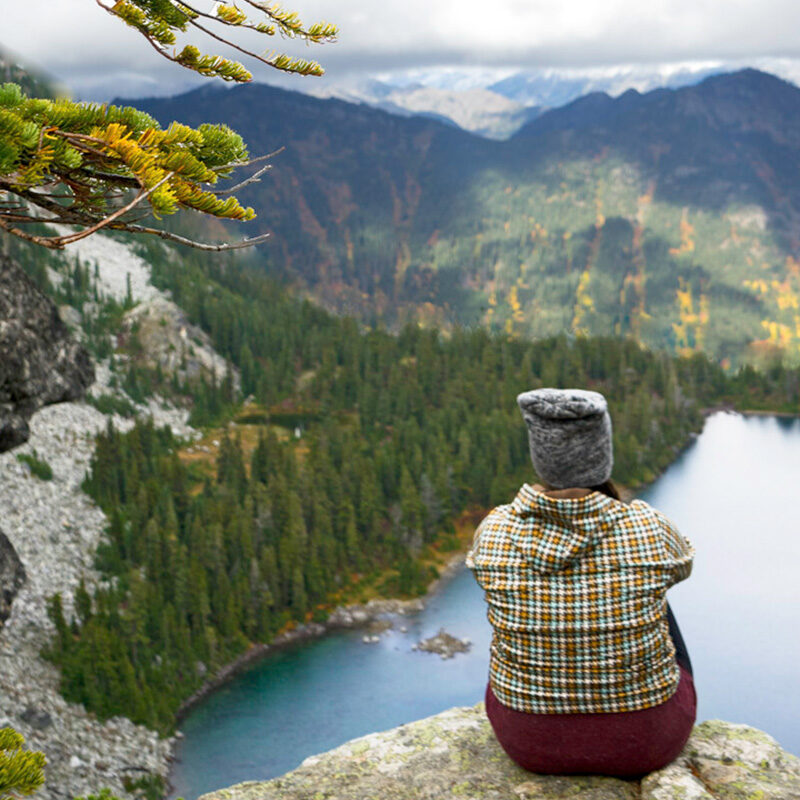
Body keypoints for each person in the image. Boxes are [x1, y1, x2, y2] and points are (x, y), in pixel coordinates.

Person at [466, 388, 696, 777]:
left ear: (540, 458)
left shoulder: (494, 531)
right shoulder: (649, 528)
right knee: (659, 596)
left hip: (529, 742)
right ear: (601, 454)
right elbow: (683, 562)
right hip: (645, 741)